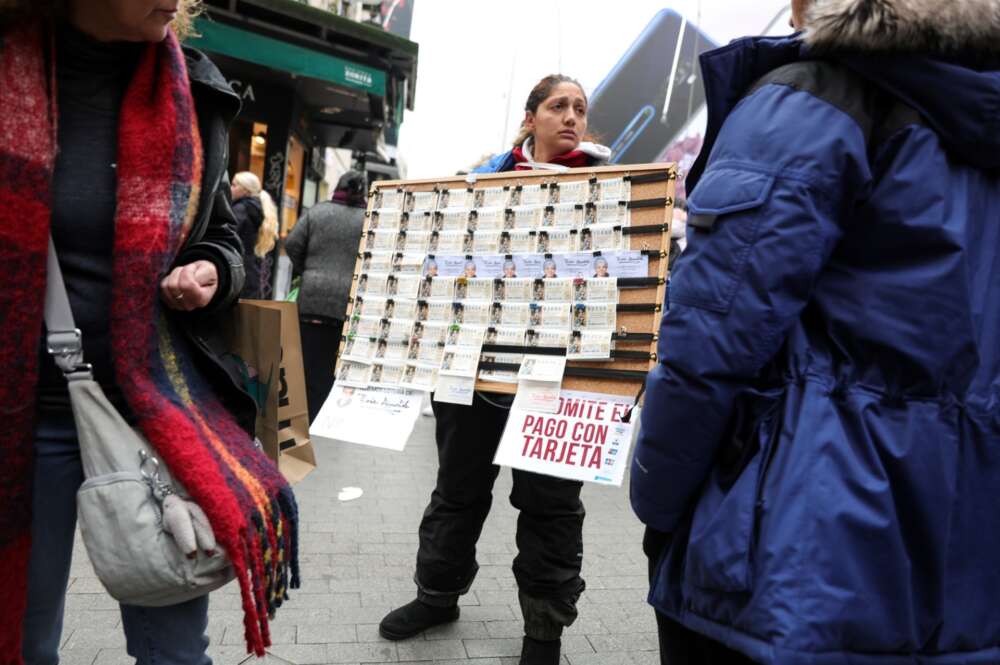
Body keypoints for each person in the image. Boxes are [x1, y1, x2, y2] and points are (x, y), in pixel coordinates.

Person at [631, 1, 1000, 664]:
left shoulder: (814, 97)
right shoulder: (978, 114)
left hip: (788, 557)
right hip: (961, 578)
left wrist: (656, 499)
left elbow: (709, 342)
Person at [0, 2, 300, 663]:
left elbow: (223, 233)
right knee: (20, 638)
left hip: (154, 408)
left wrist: (212, 272)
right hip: (24, 418)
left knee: (173, 649)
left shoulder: (193, 87)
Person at [378, 74, 610, 665]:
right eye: (558, 106)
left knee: (552, 506)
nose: (572, 117)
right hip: (471, 372)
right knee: (457, 492)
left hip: (559, 380)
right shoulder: (478, 184)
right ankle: (436, 596)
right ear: (530, 118)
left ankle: (544, 631)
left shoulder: (610, 189)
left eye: (580, 109)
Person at [285, 170, 367, 423]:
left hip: (311, 301)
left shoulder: (317, 212)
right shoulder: (368, 219)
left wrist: (308, 271)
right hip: (347, 305)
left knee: (305, 363)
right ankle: (322, 416)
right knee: (331, 366)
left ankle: (300, 418)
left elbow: (291, 244)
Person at [230, 171, 279, 299]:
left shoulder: (240, 209)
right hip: (251, 272)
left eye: (234, 185)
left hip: (237, 272)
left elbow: (228, 236)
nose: (230, 188)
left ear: (245, 190)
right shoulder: (256, 208)